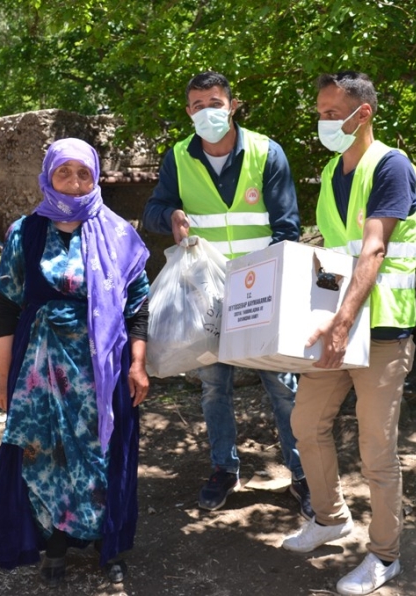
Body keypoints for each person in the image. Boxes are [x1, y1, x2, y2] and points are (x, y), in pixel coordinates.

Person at [0, 138, 151, 587]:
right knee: (45, 455)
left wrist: (137, 364)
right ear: (48, 175)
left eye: (83, 174)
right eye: (63, 173)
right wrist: (2, 376)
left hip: (102, 369)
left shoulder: (117, 233)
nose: (74, 183)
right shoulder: (26, 232)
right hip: (39, 369)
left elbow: (138, 306)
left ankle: (106, 542)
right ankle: (54, 541)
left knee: (101, 451)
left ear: (96, 177)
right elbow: (5, 304)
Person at [142, 71, 312, 519]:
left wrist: (276, 287)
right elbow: (153, 210)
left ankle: (302, 473)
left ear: (232, 106)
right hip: (207, 295)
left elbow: (286, 226)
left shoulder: (265, 152)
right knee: (214, 387)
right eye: (197, 105)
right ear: (188, 112)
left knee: (283, 387)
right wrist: (171, 217)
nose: (207, 112)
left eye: (215, 103)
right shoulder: (178, 157)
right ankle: (224, 468)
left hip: (260, 289)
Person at [280, 71, 416, 596]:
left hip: (381, 329)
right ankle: (330, 518)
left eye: (331, 112)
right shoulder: (330, 169)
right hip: (336, 326)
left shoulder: (392, 166)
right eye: (319, 113)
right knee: (306, 421)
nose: (323, 122)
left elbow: (375, 250)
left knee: (376, 448)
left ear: (363, 113)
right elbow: (332, 254)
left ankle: (385, 556)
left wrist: (341, 324)